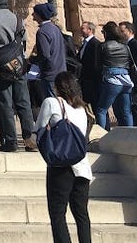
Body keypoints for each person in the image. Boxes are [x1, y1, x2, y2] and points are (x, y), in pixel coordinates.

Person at [36, 71, 92, 243]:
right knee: (81, 214)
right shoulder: (83, 108)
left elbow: (37, 130)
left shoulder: (51, 103)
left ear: (57, 87)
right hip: (82, 166)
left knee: (58, 214)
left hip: (61, 166)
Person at [0, 0, 35, 152]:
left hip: (0, 68)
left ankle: (11, 141)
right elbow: (24, 42)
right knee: (24, 103)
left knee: (5, 105)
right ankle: (30, 141)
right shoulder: (18, 19)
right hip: (18, 66)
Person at [93, 21, 133, 129]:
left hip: (111, 79)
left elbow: (97, 66)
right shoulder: (125, 46)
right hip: (126, 79)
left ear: (106, 33)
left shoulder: (103, 46)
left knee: (101, 110)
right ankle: (130, 135)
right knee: (126, 112)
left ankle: (101, 136)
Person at [30, 2, 67, 105]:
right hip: (60, 70)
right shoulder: (55, 28)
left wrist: (32, 60)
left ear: (40, 14)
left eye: (35, 13)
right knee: (61, 102)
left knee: (54, 103)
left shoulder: (42, 31)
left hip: (50, 73)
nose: (33, 16)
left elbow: (45, 55)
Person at [77, 22, 100, 106]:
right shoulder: (84, 44)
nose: (80, 31)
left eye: (83, 28)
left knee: (97, 105)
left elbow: (96, 63)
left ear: (90, 30)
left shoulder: (95, 43)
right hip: (85, 80)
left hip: (93, 80)